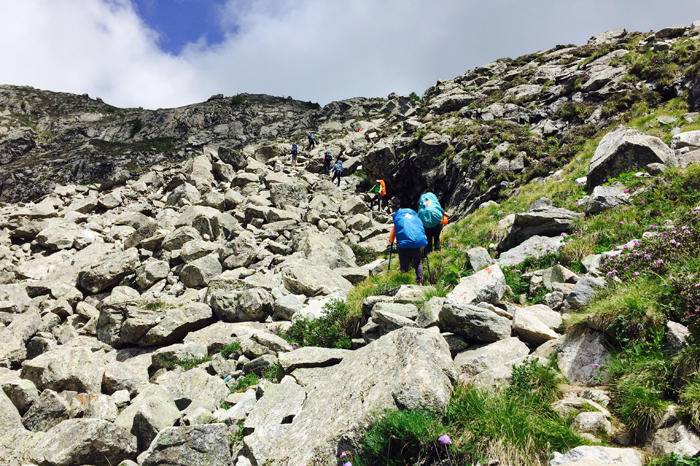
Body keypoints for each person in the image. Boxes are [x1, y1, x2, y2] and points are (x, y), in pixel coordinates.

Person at [388, 198, 428, 284]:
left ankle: (405, 281)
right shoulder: (414, 217)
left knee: (404, 264)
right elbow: (420, 228)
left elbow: (394, 231)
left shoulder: (398, 217)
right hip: (417, 242)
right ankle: (420, 281)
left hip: (404, 245)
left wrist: (390, 242)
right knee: (418, 263)